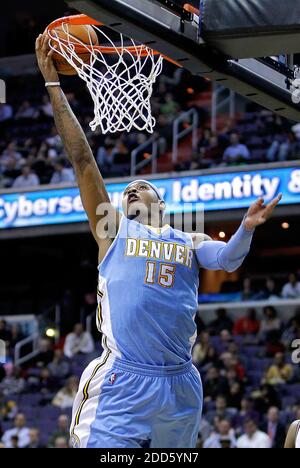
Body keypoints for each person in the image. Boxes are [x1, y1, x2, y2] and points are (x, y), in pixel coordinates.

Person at [35, 33, 282, 449]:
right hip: (124, 378)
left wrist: (247, 228)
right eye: (127, 188)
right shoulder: (112, 229)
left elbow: (227, 260)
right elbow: (81, 160)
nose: (131, 190)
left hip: (182, 381)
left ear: (161, 202)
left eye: (141, 186)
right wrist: (54, 85)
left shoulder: (187, 239)